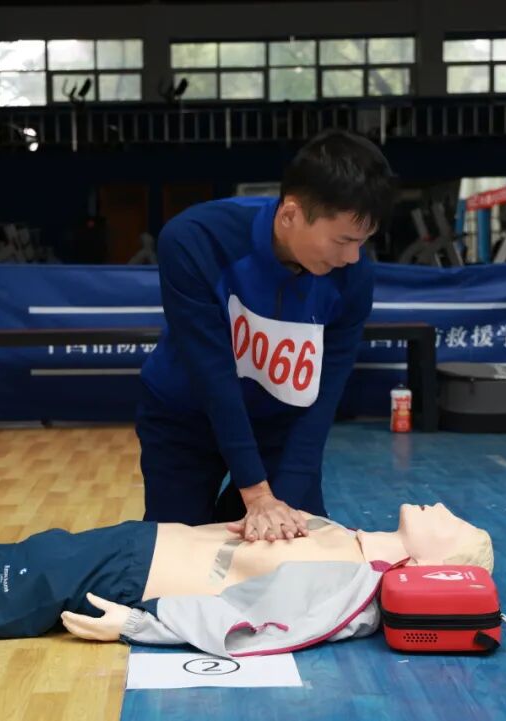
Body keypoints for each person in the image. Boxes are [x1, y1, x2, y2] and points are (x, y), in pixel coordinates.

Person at [0, 504, 491, 658]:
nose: (441, 507)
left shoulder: (353, 585)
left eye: (452, 523)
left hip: (125, 576)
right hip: (133, 541)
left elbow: (254, 624)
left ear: (436, 567)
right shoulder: (352, 539)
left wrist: (137, 625)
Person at [137, 128, 398, 542]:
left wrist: (286, 499)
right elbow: (212, 374)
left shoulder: (353, 276)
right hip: (186, 416)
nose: (352, 257)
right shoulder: (195, 240)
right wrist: (256, 494)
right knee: (178, 548)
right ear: (290, 214)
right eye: (344, 240)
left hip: (280, 425)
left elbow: (324, 394)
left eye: (363, 242)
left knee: (292, 543)